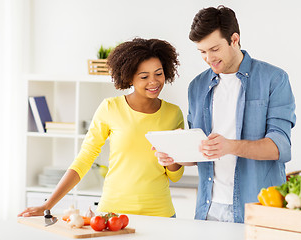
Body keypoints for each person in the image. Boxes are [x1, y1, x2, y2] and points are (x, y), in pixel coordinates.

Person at [156, 6, 296, 223]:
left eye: (214, 49)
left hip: (259, 207)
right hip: (208, 209)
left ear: (234, 39)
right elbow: (199, 154)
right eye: (202, 52)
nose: (209, 58)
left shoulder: (274, 79)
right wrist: (177, 153)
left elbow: (280, 147)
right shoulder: (197, 86)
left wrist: (230, 146)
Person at [18, 38, 184, 218]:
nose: (154, 81)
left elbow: (175, 176)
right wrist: (47, 205)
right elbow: (84, 160)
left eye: (158, 74)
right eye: (144, 76)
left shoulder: (173, 113)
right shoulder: (110, 108)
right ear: (129, 77)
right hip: (113, 213)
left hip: (160, 214)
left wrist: (172, 159)